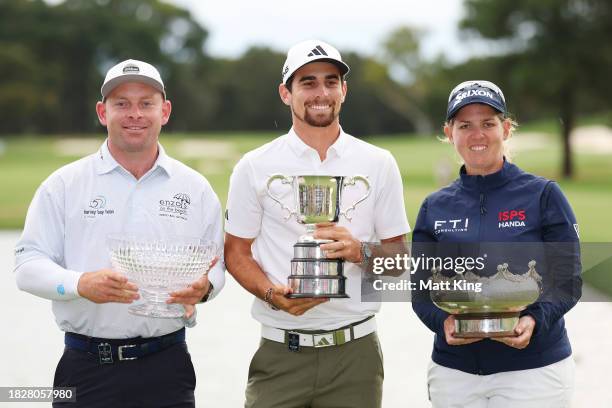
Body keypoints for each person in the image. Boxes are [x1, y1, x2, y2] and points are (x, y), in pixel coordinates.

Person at [14, 59, 225, 408]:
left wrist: (204, 290)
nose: (135, 114)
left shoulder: (196, 188)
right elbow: (27, 266)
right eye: (121, 104)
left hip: (168, 364)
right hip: (86, 365)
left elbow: (214, 266)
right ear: (102, 112)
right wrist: (80, 283)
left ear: (165, 111)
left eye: (146, 103)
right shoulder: (65, 185)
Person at [224, 40, 410, 408]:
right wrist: (270, 294)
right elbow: (236, 252)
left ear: (344, 90)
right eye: (307, 82)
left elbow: (400, 260)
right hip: (281, 351)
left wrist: (360, 252)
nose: (321, 92)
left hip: (356, 354)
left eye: (331, 81)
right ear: (285, 93)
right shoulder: (254, 166)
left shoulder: (379, 162)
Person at [411, 80, 582, 407]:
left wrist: (535, 319)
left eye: (487, 123)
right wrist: (443, 323)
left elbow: (569, 280)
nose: (477, 135)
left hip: (535, 371)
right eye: (465, 125)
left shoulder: (544, 195)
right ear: (449, 133)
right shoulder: (434, 207)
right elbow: (420, 291)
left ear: (505, 128)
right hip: (455, 373)